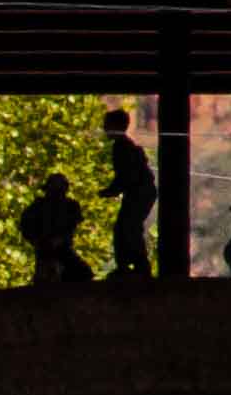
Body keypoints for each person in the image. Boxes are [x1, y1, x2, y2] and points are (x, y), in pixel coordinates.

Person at [99, 109, 157, 280]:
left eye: (106, 125)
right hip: (142, 192)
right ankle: (132, 266)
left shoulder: (121, 147)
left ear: (115, 126)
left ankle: (136, 267)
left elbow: (125, 176)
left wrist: (110, 191)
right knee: (127, 227)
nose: (104, 128)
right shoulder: (124, 146)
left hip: (140, 193)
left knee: (127, 227)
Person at [18, 173, 94, 284]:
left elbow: (71, 226)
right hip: (45, 248)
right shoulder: (38, 206)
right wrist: (38, 241)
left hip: (61, 248)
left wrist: (58, 240)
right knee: (48, 278)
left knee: (81, 273)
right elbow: (26, 226)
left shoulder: (70, 206)